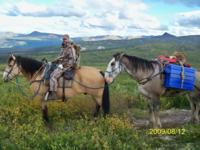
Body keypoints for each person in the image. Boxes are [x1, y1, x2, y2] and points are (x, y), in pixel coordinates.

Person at [45, 34, 76, 100]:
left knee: (53, 76)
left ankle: (53, 94)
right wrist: (54, 62)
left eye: (65, 39)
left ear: (68, 39)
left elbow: (73, 59)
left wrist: (63, 65)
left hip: (67, 65)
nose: (64, 40)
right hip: (61, 64)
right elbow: (61, 57)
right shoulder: (64, 47)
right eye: (63, 39)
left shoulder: (70, 48)